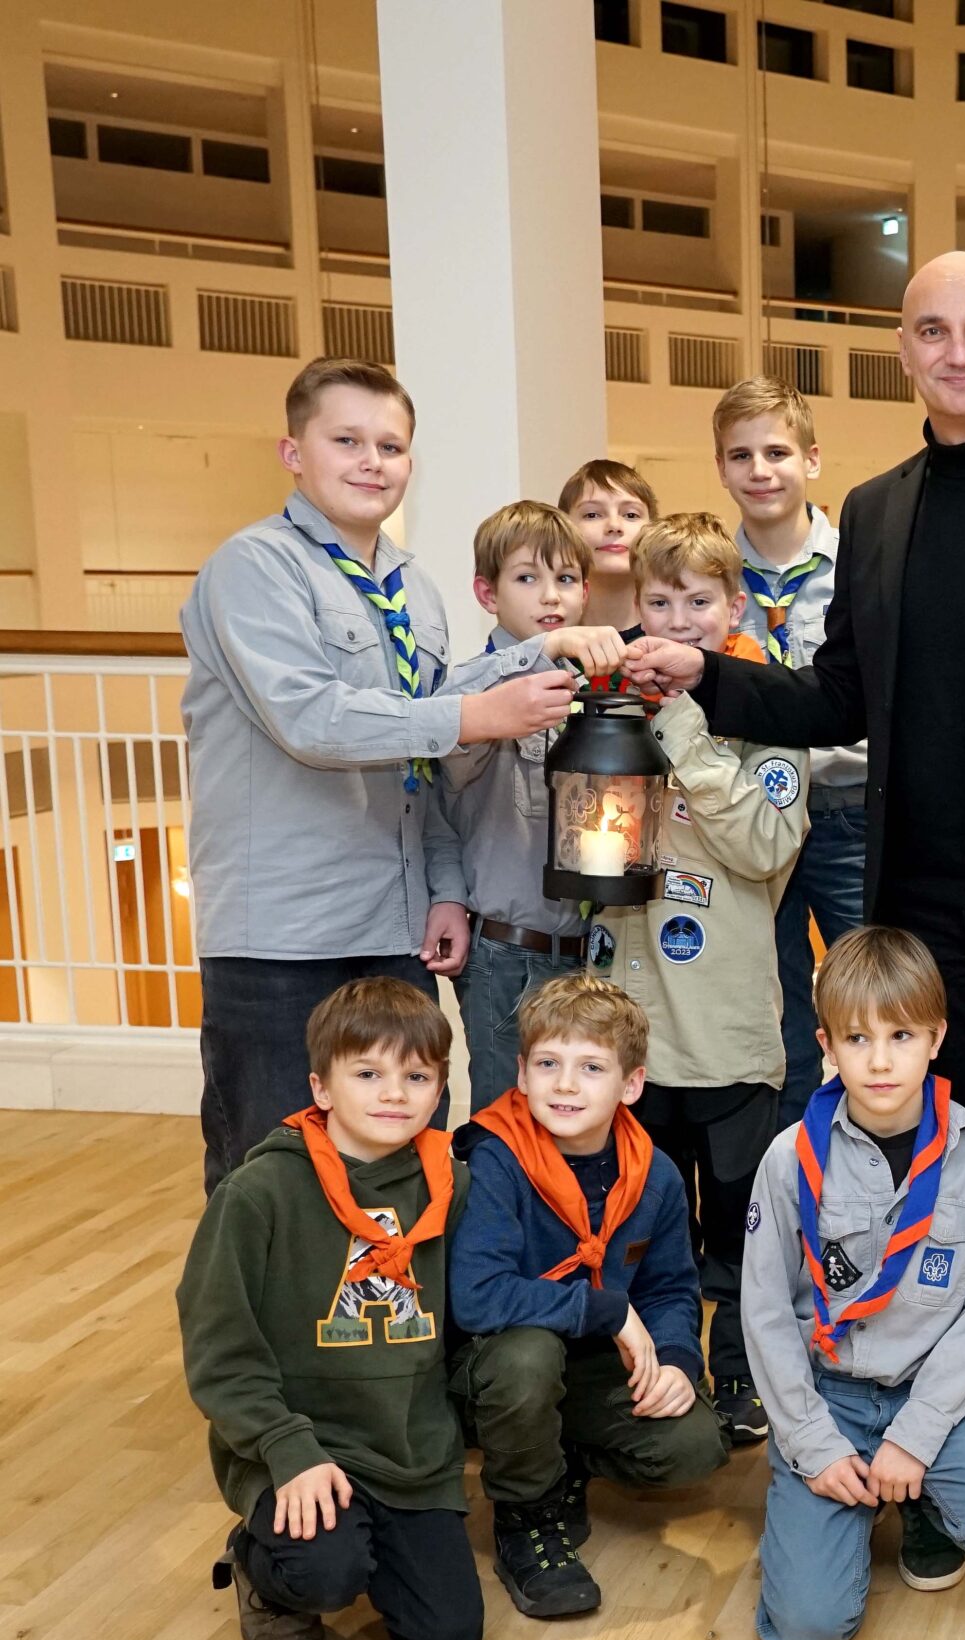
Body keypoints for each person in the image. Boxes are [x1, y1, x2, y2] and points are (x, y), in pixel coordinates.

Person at [627, 253, 965, 1547]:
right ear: (904, 349)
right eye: (935, 329)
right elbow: (836, 702)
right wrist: (701, 669)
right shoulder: (877, 511)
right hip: (933, 930)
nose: (961, 348)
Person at [182, 357, 578, 1192]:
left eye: (391, 445)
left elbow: (419, 763)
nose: (372, 461)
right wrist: (481, 713)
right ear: (295, 452)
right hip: (283, 938)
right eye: (347, 440)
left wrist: (443, 886)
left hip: (393, 932)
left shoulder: (415, 591)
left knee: (405, 1168)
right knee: (273, 1177)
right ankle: (259, 1330)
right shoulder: (254, 568)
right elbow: (313, 719)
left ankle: (395, 1325)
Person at [741, 926, 965, 1640]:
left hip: (929, 1393)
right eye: (856, 1038)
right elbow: (764, 1313)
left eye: (902, 1034)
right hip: (829, 1393)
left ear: (937, 1037)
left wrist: (916, 1436)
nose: (879, 1059)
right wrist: (812, 1442)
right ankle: (825, 1497)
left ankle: (921, 1499)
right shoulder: (789, 1162)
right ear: (826, 1043)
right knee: (807, 1626)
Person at [177, 976, 482, 1640]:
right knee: (325, 1572)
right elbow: (218, 1350)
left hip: (408, 1451)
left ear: (440, 1090)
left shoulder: (453, 1186)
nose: (394, 1093)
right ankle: (263, 1567)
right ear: (321, 1087)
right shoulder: (258, 1193)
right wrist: (286, 1447)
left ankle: (369, 1541)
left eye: (416, 1075)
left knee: (445, 1639)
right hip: (300, 1443)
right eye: (367, 1072)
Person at [600, 512, 810, 1446]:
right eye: (659, 600)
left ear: (733, 605)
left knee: (737, 1231)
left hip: (726, 1029)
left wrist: (685, 723)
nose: (677, 620)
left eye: (698, 601)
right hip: (632, 1032)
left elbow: (767, 845)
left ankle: (738, 1370)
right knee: (646, 1226)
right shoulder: (609, 701)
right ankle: (654, 1370)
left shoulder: (766, 707)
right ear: (634, 604)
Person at [446, 976, 729, 1619]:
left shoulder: (652, 1171)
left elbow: (670, 1288)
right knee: (528, 1359)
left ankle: (559, 1455)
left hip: (590, 1359)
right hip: (491, 1363)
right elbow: (476, 1296)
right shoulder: (494, 1159)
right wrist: (606, 1310)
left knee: (695, 1443)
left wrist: (681, 1362)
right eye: (548, 1064)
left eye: (591, 1067)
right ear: (521, 1074)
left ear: (630, 1085)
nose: (566, 1085)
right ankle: (527, 1514)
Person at [712, 378, 867, 1119]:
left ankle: (880, 1158)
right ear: (720, 468)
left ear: (812, 457)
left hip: (846, 810)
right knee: (769, 1001)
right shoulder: (709, 574)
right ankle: (791, 1168)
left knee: (868, 993)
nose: (760, 469)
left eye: (777, 451)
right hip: (745, 816)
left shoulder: (863, 564)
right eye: (740, 454)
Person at [440, 501, 629, 1092]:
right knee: (507, 1124)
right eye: (528, 578)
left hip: (591, 954)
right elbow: (445, 738)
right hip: (507, 957)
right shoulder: (473, 687)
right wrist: (535, 660)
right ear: (487, 593)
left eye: (565, 580)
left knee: (582, 1120)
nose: (550, 597)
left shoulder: (596, 691)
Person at [557, 458, 660, 633]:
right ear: (564, 530)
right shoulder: (544, 636)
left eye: (631, 515)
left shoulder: (679, 632)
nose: (614, 526)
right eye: (592, 515)